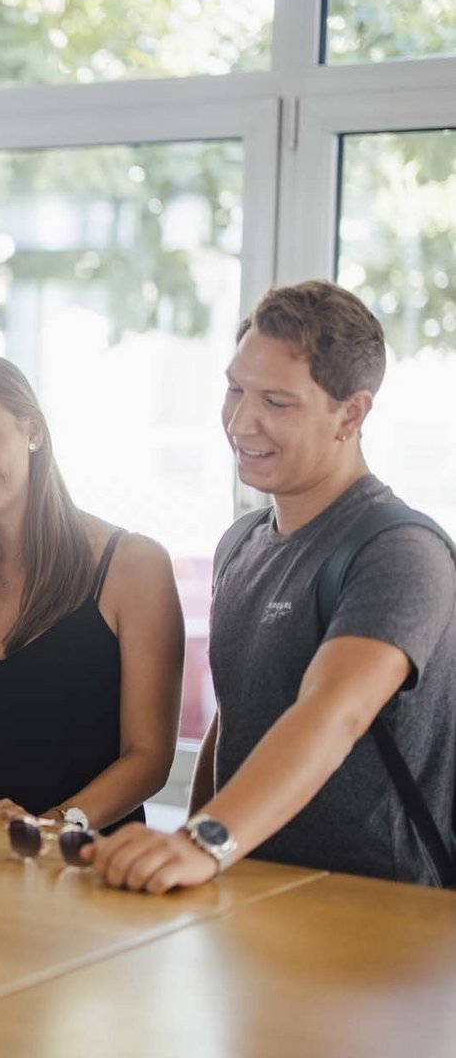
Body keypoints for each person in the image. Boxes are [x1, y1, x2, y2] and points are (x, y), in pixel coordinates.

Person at [92, 280, 456, 893]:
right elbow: (233, 721)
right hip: (252, 900)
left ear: (352, 413)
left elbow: (333, 712)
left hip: (384, 922)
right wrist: (195, 845)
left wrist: (204, 844)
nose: (240, 420)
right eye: (234, 389)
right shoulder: (241, 543)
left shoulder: (399, 552)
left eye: (277, 402)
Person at [0, 354, 183, 833]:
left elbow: (149, 758)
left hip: (83, 867)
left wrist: (50, 826)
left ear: (33, 431)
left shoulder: (133, 565)